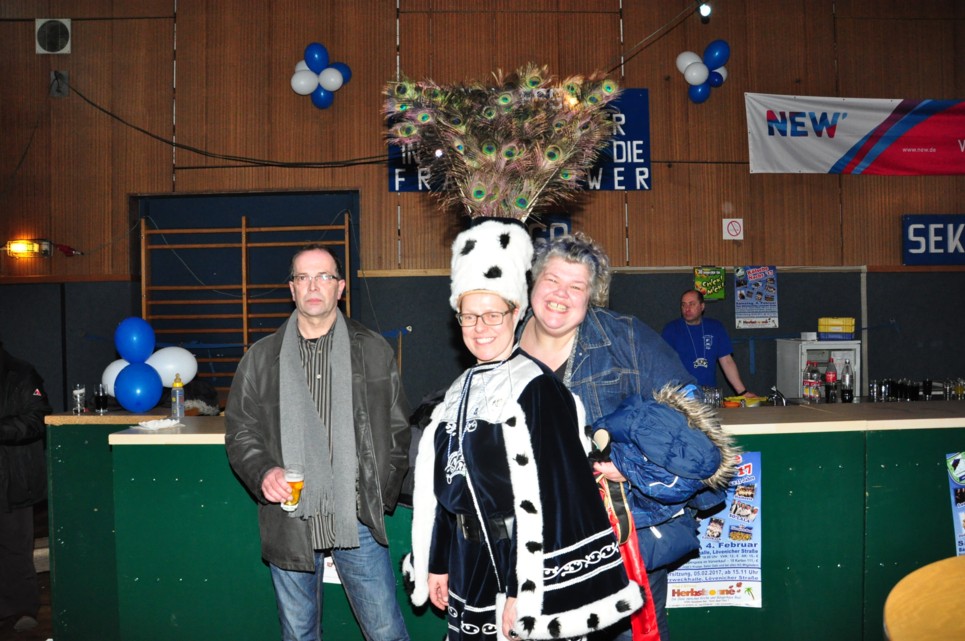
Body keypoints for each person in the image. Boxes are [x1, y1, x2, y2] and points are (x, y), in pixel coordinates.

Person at [405, 219, 643, 641]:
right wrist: (437, 561)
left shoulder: (538, 388)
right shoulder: (458, 391)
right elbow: (450, 484)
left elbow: (554, 498)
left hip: (519, 566)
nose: (480, 327)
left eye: (492, 314)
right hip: (470, 563)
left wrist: (523, 592)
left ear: (515, 314)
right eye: (469, 316)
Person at [517, 233, 737, 641]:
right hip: (534, 543)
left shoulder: (625, 338)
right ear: (534, 281)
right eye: (552, 280)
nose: (560, 294)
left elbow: (696, 426)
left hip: (620, 541)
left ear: (592, 296)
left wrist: (632, 465)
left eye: (576, 286)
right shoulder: (503, 340)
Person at [224, 244, 412, 641]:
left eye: (324, 276)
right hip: (290, 518)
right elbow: (240, 431)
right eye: (303, 277)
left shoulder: (373, 350)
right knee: (299, 634)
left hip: (357, 517)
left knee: (386, 632)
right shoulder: (260, 358)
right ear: (291, 288)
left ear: (340, 287)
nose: (313, 286)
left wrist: (377, 494)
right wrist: (264, 472)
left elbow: (398, 431)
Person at [0, 339, 53, 633]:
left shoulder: (21, 373)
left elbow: (37, 418)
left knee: (15, 546)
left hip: (12, 477)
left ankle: (21, 609)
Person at [661, 289, 755, 397]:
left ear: (702, 306)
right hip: (680, 395)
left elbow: (727, 362)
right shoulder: (671, 330)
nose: (687, 308)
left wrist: (742, 392)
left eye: (692, 304)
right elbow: (662, 364)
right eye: (684, 305)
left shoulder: (716, 328)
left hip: (709, 394)